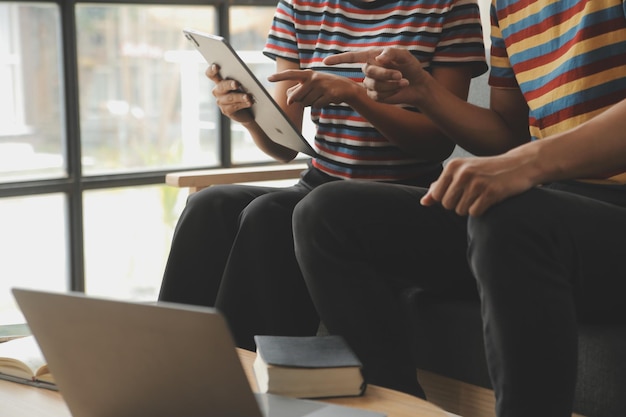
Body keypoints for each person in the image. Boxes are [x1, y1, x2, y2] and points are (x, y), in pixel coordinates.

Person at [292, 1, 626, 416]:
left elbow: (521, 157)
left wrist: (528, 164)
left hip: (605, 213)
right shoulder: (510, 6)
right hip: (553, 202)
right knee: (327, 214)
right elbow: (507, 135)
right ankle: (399, 409)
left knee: (510, 218)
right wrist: (424, 92)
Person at [158, 0, 487, 397]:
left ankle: (236, 393)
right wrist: (250, 118)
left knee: (269, 215)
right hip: (318, 184)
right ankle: (166, 376)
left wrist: (356, 96)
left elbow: (435, 143)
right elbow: (284, 147)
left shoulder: (448, 8)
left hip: (404, 197)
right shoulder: (299, 6)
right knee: (208, 205)